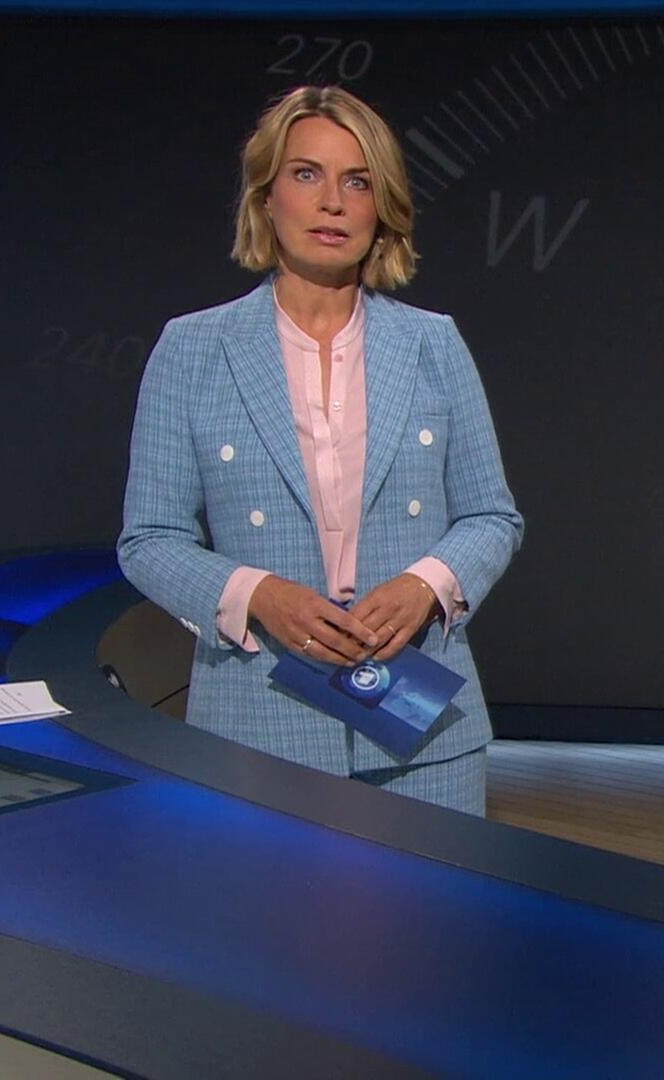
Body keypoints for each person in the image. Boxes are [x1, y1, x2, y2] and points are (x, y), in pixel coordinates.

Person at [117, 85, 523, 816]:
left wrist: (425, 585)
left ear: (381, 209)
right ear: (266, 197)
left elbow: (492, 516)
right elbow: (149, 539)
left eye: (357, 182)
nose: (332, 202)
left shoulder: (433, 344)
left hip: (422, 732)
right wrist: (259, 595)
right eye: (307, 175)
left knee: (433, 898)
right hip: (256, 730)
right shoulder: (193, 349)